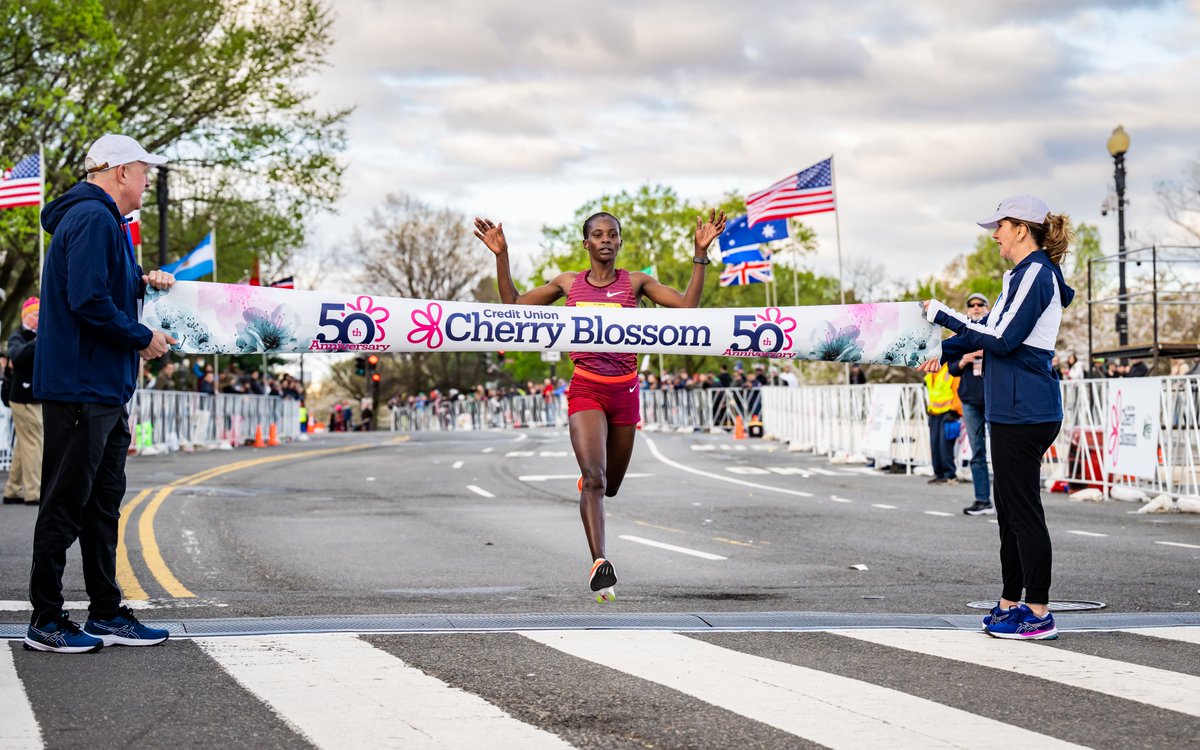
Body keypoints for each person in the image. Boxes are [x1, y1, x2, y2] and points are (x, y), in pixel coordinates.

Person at [475, 208, 726, 602]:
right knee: (594, 478)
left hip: (625, 392)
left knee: (610, 486)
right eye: (598, 234)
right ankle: (600, 562)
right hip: (586, 390)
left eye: (612, 234)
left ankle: (593, 483)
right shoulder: (568, 284)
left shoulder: (637, 283)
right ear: (586, 243)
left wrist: (700, 254)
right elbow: (515, 305)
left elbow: (687, 308)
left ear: (620, 242)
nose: (606, 239)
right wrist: (501, 256)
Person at [26, 134, 177, 653]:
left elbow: (107, 289)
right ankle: (45, 620)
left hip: (102, 387)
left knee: (101, 507)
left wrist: (142, 282)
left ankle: (106, 613)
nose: (146, 181)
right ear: (118, 172)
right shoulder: (92, 219)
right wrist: (142, 336)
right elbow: (87, 300)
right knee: (66, 504)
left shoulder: (105, 222)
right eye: (142, 172)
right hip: (81, 387)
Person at [919, 194, 1074, 641]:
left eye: (1001, 226)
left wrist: (944, 316)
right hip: (1013, 405)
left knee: (1022, 512)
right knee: (1008, 511)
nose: (995, 235)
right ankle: (1011, 602)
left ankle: (1039, 611)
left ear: (1022, 229)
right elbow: (987, 334)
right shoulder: (1021, 275)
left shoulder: (1038, 273)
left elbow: (1003, 339)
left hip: (1027, 408)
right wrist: (936, 352)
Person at [947, 292, 992, 515]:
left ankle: (1007, 502)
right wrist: (964, 359)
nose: (975, 307)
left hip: (994, 399)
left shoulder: (995, 330)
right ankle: (982, 499)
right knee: (977, 453)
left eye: (980, 304)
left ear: (987, 308)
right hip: (970, 400)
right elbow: (951, 368)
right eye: (971, 305)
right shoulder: (962, 335)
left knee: (1003, 453)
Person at [3, 297, 43, 506]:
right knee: (34, 443)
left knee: (24, 445)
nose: (40, 317)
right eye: (37, 314)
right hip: (23, 397)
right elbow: (17, 356)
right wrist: (38, 341)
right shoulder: (17, 336)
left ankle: (12, 489)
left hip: (33, 396)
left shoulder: (37, 335)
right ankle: (33, 491)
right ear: (27, 316)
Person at [924, 361, 961, 485]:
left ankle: (949, 474)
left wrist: (955, 411)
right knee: (935, 444)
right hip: (934, 412)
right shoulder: (931, 370)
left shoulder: (950, 369)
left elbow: (957, 391)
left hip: (948, 413)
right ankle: (939, 473)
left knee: (944, 444)